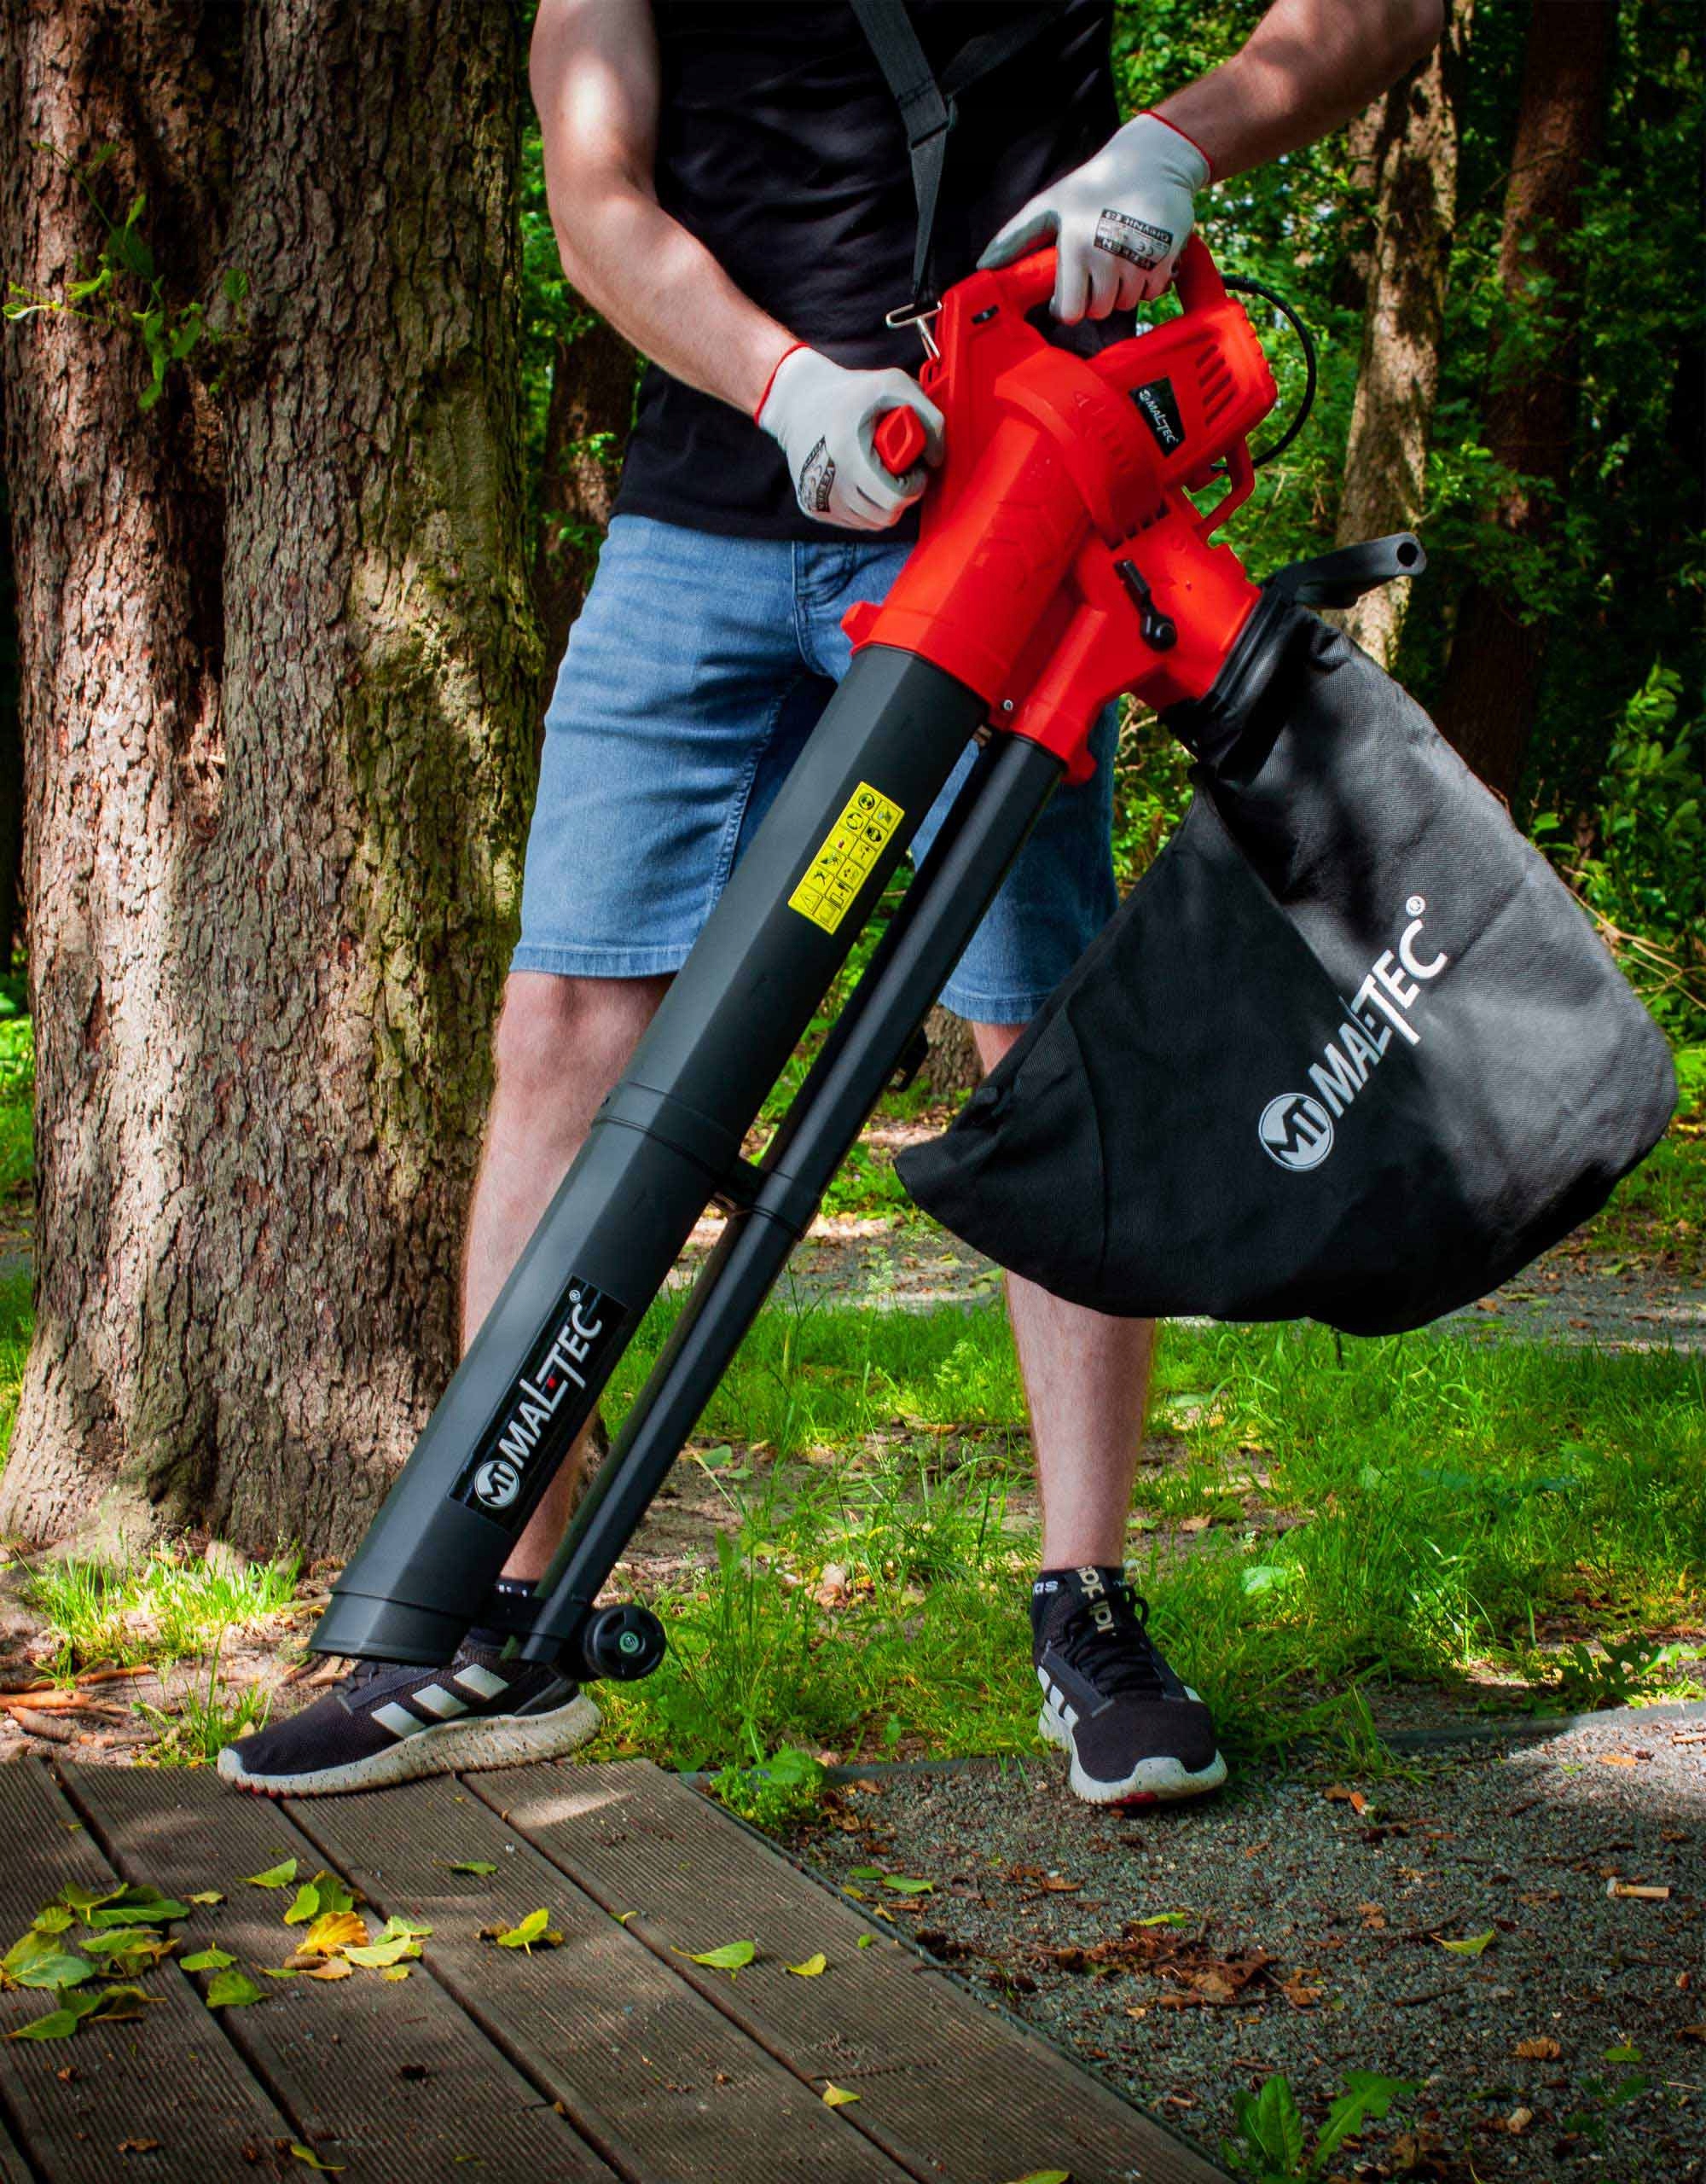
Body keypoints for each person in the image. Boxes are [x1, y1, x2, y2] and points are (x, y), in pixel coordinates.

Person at [220, 0, 1443, 1803]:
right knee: (561, 1023)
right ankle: (488, 1612)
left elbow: (1382, 15)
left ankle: (1085, 1605)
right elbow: (595, 187)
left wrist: (1176, 145)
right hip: (707, 515)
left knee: (1045, 1031)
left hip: (1014, 503)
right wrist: (781, 381)